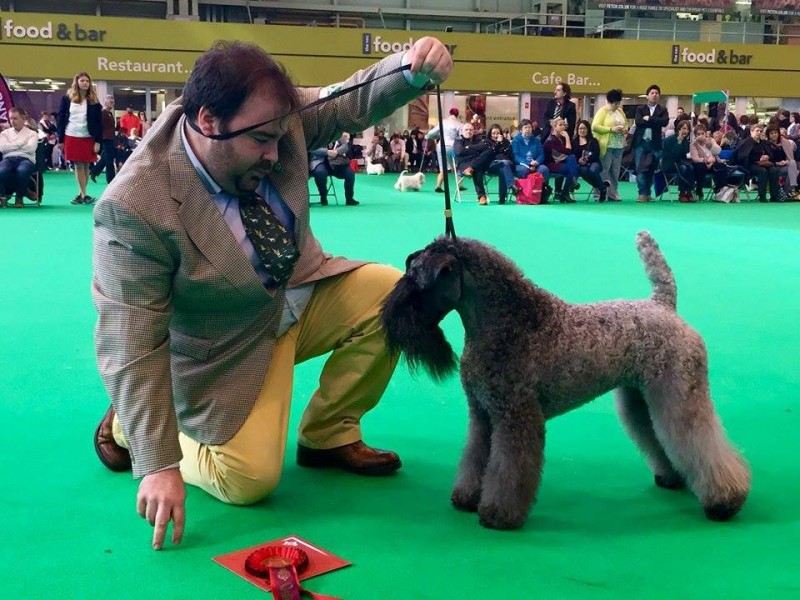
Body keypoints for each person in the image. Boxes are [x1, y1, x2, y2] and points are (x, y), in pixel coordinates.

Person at [91, 38, 452, 551]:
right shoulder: (134, 206)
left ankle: (329, 433)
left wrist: (411, 70)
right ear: (208, 121)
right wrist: (159, 462)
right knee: (247, 482)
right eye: (262, 140)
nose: (277, 153)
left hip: (299, 291)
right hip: (223, 345)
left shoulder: (274, 116)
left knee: (393, 298)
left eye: (281, 135)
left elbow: (349, 100)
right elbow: (130, 338)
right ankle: (129, 424)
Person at [57, 71, 102, 204]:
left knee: (86, 164)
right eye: (82, 80)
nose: (85, 83)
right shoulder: (67, 98)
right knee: (78, 164)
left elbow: (99, 122)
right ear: (76, 82)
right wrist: (60, 139)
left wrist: (98, 141)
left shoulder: (94, 100)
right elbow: (61, 118)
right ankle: (84, 194)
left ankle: (81, 194)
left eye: (87, 81)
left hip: (88, 136)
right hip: (72, 134)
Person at [632, 84, 669, 202]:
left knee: (652, 169)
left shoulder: (663, 109)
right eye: (652, 93)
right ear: (647, 96)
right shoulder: (640, 109)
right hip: (640, 143)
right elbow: (638, 122)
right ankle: (642, 193)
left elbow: (664, 122)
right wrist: (654, 122)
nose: (654, 95)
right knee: (640, 168)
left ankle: (648, 192)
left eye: (656, 93)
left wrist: (650, 119)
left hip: (655, 143)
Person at [591, 89, 627, 202]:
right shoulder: (602, 111)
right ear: (609, 102)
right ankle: (599, 193)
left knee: (615, 171)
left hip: (619, 145)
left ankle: (613, 193)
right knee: (604, 170)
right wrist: (611, 129)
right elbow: (595, 126)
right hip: (606, 145)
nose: (617, 105)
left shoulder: (620, 112)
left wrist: (624, 130)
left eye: (618, 103)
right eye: (615, 103)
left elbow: (626, 123)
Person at [0, 107, 38, 208]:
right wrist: (20, 143)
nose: (12, 121)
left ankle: (19, 197)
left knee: (22, 171)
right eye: (11, 118)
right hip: (8, 159)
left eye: (15, 118)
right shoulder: (4, 133)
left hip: (26, 159)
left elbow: (30, 149)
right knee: (2, 171)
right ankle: (25, 191)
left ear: (23, 119)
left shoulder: (32, 133)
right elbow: (2, 148)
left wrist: (11, 146)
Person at [309, 132, 358, 206]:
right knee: (320, 173)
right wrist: (327, 152)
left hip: (336, 162)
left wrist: (337, 151)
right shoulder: (315, 133)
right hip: (320, 161)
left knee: (350, 174)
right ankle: (323, 196)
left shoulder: (337, 132)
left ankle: (349, 198)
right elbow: (312, 149)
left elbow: (345, 146)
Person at [426, 107, 462, 193]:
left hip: (441, 146)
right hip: (453, 146)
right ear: (457, 115)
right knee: (456, 166)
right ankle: (459, 185)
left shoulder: (442, 122)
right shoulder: (459, 124)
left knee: (443, 168)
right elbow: (461, 137)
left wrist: (427, 136)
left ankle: (438, 186)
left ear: (450, 113)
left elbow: (431, 133)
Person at [660, 119, 695, 203]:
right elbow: (672, 156)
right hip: (669, 164)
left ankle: (689, 192)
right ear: (679, 129)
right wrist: (679, 141)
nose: (685, 131)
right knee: (684, 168)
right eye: (684, 128)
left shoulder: (686, 142)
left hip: (680, 163)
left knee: (691, 167)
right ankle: (682, 193)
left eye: (687, 129)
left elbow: (684, 155)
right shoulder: (669, 140)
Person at [90, 95, 118, 184]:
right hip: (106, 139)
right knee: (109, 159)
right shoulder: (103, 113)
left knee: (106, 158)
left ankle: (94, 172)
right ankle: (111, 179)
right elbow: (99, 126)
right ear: (105, 102)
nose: (112, 104)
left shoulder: (109, 113)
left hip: (110, 138)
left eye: (113, 102)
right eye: (110, 102)